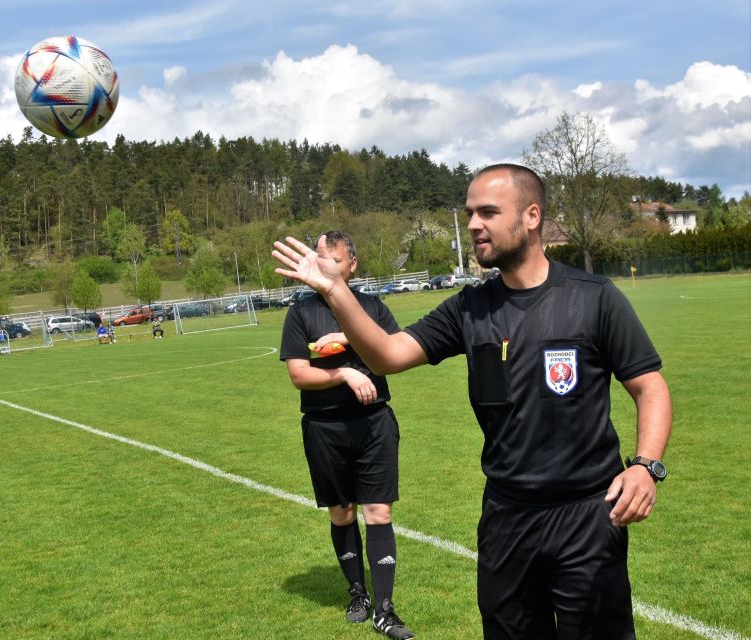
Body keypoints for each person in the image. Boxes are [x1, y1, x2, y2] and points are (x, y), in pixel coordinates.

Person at [272, 164, 672, 640]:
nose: (474, 225)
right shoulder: (469, 308)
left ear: (531, 216)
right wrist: (336, 291)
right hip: (506, 517)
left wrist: (646, 466)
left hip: (587, 514)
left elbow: (650, 387)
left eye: (487, 212)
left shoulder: (594, 298)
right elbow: (388, 354)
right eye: (470, 214)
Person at [279, 230, 414, 639]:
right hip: (325, 428)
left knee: (380, 511)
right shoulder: (301, 313)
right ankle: (357, 592)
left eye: (335, 260)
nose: (327, 266)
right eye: (321, 258)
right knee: (343, 512)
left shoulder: (373, 308)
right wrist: (344, 371)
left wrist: (347, 337)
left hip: (374, 423)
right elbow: (299, 375)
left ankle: (385, 609)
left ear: (352, 265)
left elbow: (392, 355)